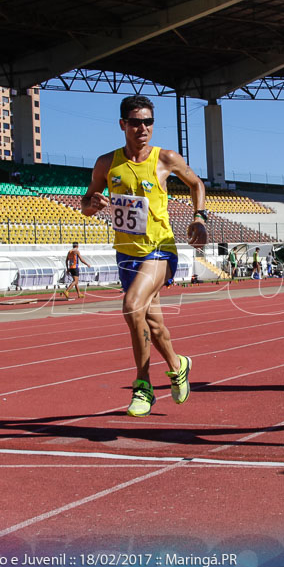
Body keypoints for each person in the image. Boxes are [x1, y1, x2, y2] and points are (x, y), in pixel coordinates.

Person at [81, 94, 207, 417]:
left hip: (161, 250)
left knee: (131, 306)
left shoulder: (165, 158)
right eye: (136, 122)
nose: (142, 128)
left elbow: (196, 184)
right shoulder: (107, 164)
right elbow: (86, 204)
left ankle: (143, 385)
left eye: (148, 122)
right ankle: (178, 365)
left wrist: (199, 217)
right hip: (127, 256)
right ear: (122, 125)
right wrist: (93, 205)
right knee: (153, 325)